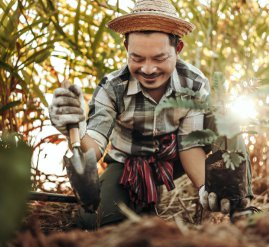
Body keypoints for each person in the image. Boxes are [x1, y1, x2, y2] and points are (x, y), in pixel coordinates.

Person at [49, 0, 253, 229]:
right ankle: (134, 201)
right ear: (126, 48)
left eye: (159, 58)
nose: (147, 69)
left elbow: (190, 145)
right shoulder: (112, 87)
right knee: (99, 221)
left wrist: (205, 187)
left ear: (177, 49)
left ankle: (241, 206)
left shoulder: (193, 83)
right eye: (137, 58)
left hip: (174, 159)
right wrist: (73, 125)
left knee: (226, 118)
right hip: (126, 165)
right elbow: (93, 147)